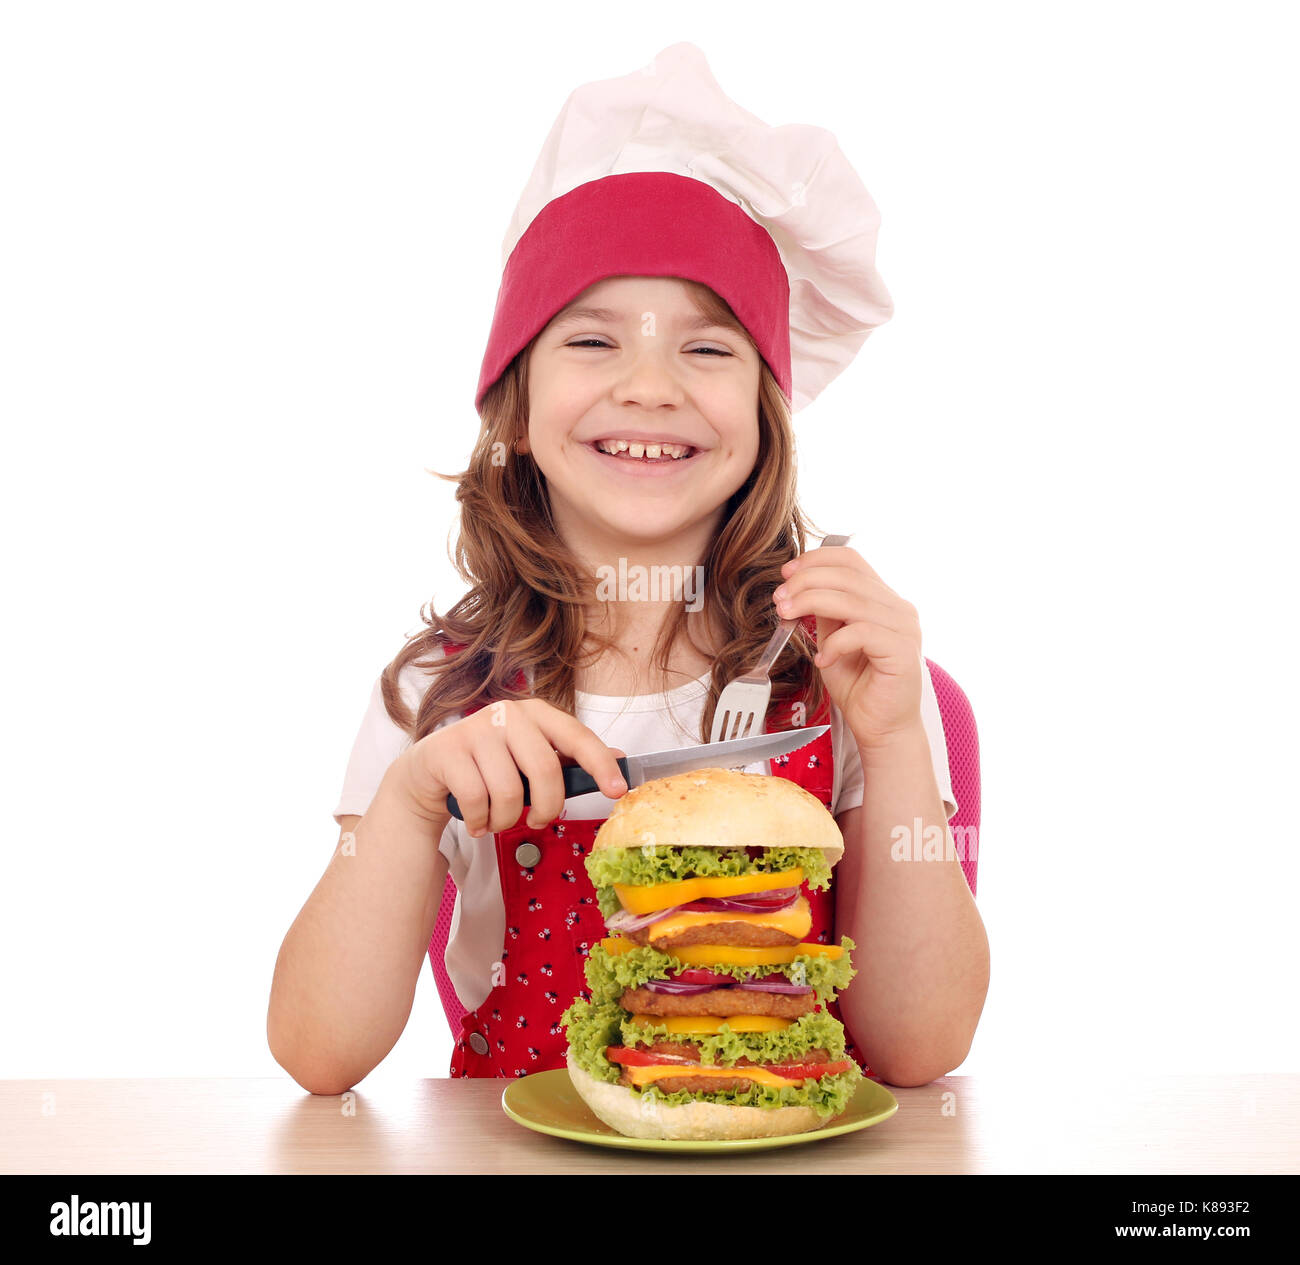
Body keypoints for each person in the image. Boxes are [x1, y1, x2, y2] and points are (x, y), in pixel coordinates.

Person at [267, 42, 989, 1095]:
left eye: (706, 349)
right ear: (511, 405)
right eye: (592, 342)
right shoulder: (437, 694)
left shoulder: (846, 679)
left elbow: (920, 1048)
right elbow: (316, 1051)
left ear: (764, 417)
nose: (649, 386)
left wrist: (889, 739)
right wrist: (411, 799)